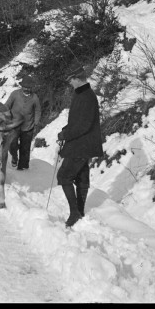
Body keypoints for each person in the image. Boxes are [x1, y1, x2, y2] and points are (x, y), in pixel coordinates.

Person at [56, 65, 103, 228]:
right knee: (82, 178)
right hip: (83, 143)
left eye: (70, 80)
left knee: (64, 177)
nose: (70, 83)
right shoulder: (82, 94)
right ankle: (80, 212)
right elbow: (76, 122)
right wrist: (65, 130)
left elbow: (83, 125)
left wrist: (65, 135)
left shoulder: (87, 96)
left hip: (82, 144)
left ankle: (75, 212)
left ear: (77, 79)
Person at [5, 76, 42, 171]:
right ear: (22, 86)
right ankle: (14, 156)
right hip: (14, 124)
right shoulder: (15, 94)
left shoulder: (34, 97)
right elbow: (7, 106)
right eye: (25, 87)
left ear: (31, 88)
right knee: (12, 144)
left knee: (25, 147)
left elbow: (38, 110)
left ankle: (23, 166)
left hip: (28, 126)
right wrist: (6, 117)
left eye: (29, 87)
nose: (27, 89)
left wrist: (36, 122)